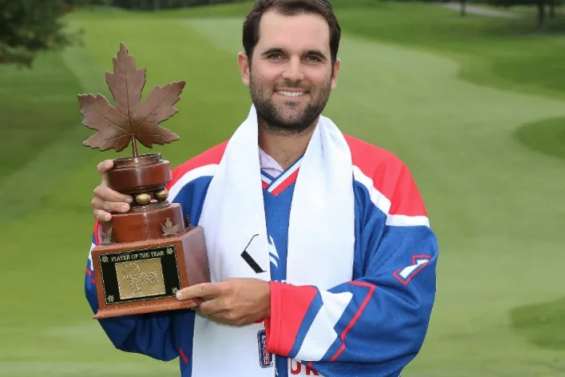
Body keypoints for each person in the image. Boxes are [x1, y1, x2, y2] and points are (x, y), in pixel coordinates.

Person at [85, 0, 438, 376]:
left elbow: (402, 317)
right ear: (245, 66)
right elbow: (143, 331)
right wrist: (115, 232)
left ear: (333, 72)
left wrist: (275, 306)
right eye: (275, 55)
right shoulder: (189, 189)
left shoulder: (381, 182)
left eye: (312, 58)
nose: (294, 73)